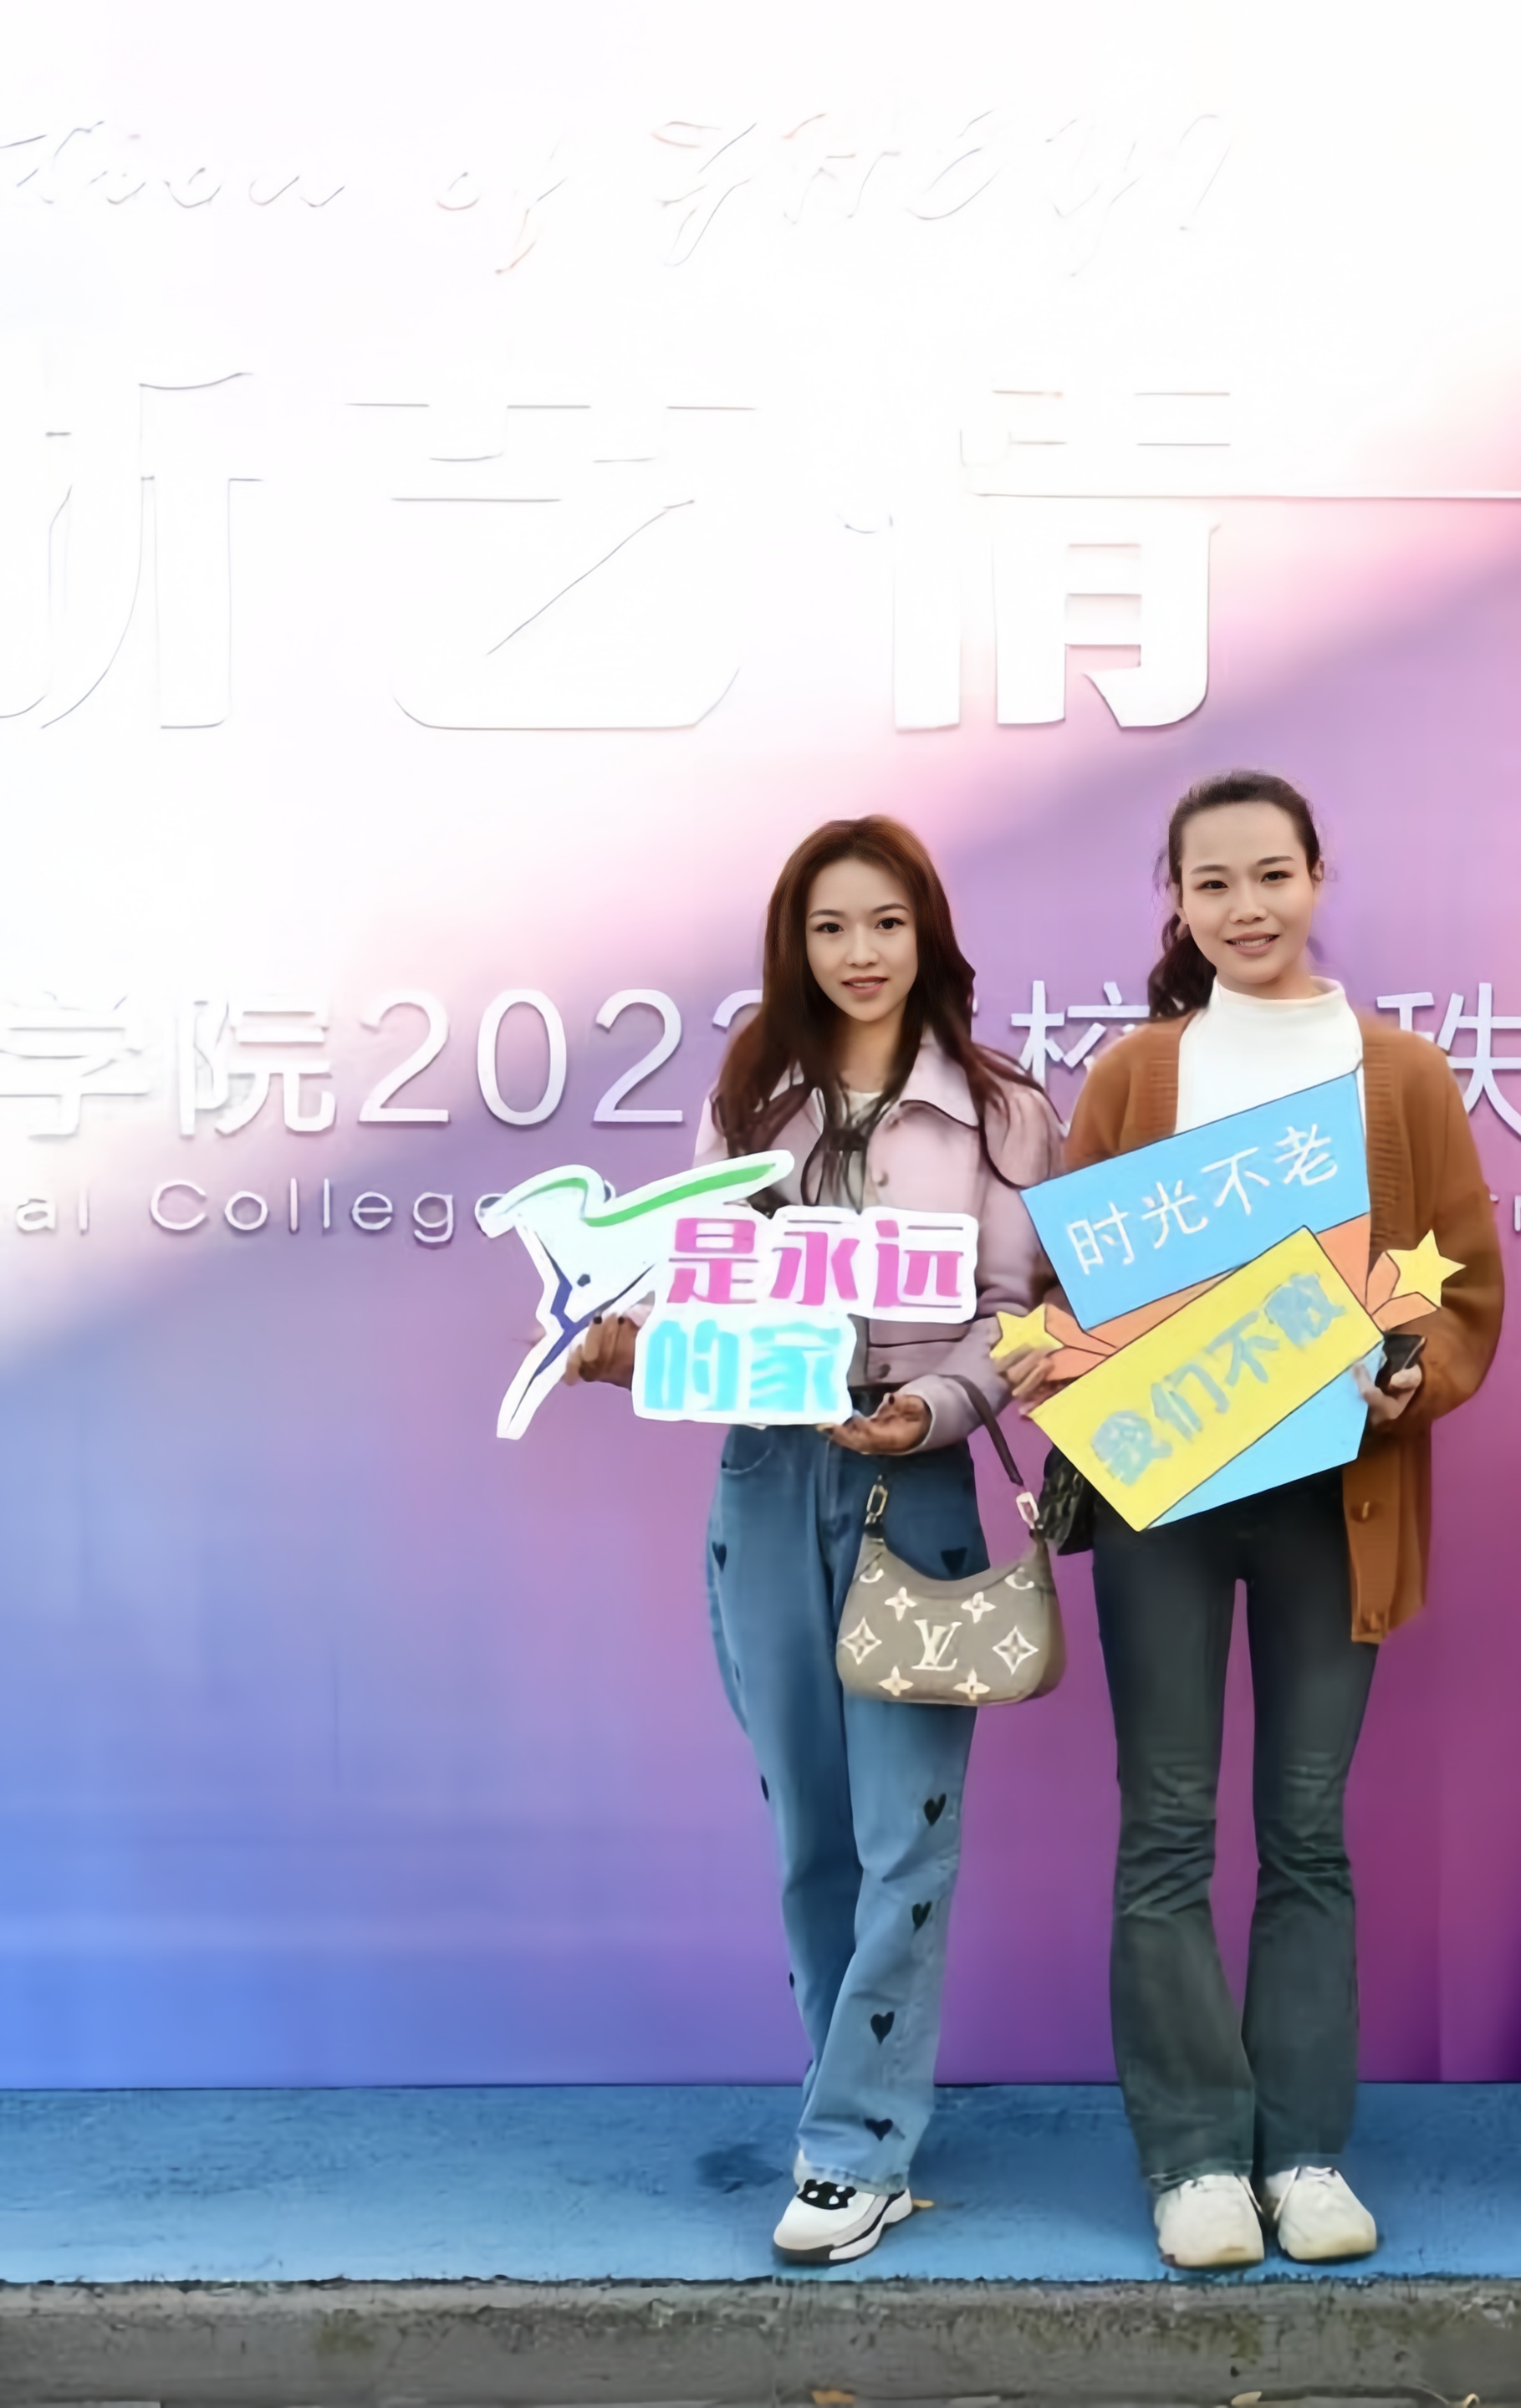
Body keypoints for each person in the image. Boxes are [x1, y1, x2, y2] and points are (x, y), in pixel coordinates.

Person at [1001, 770, 1502, 2273]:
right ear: (1176, 900)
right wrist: (1066, 1355)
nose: (1245, 908)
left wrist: (1407, 1371)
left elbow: (1463, 1291)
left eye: (1271, 875)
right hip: (1163, 1497)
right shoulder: (1135, 1076)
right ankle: (1196, 2158)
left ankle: (1307, 2151)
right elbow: (1066, 1287)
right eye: (1211, 884)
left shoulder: (1400, 1076)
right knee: (1165, 1825)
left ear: (1318, 875)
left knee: (1305, 1831)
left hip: (1333, 1499)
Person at [564, 816, 1062, 2266]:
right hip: (768, 1477)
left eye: (886, 922)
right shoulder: (751, 1099)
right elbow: (703, 1290)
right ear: (797, 944)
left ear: (928, 936)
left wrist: (933, 1409)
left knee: (909, 1832)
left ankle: (852, 2149)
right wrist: (632, 1344)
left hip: (918, 1483)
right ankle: (860, 2107)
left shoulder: (1003, 1109)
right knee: (813, 1839)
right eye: (831, 926)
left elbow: (1016, 1316)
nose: (860, 952)